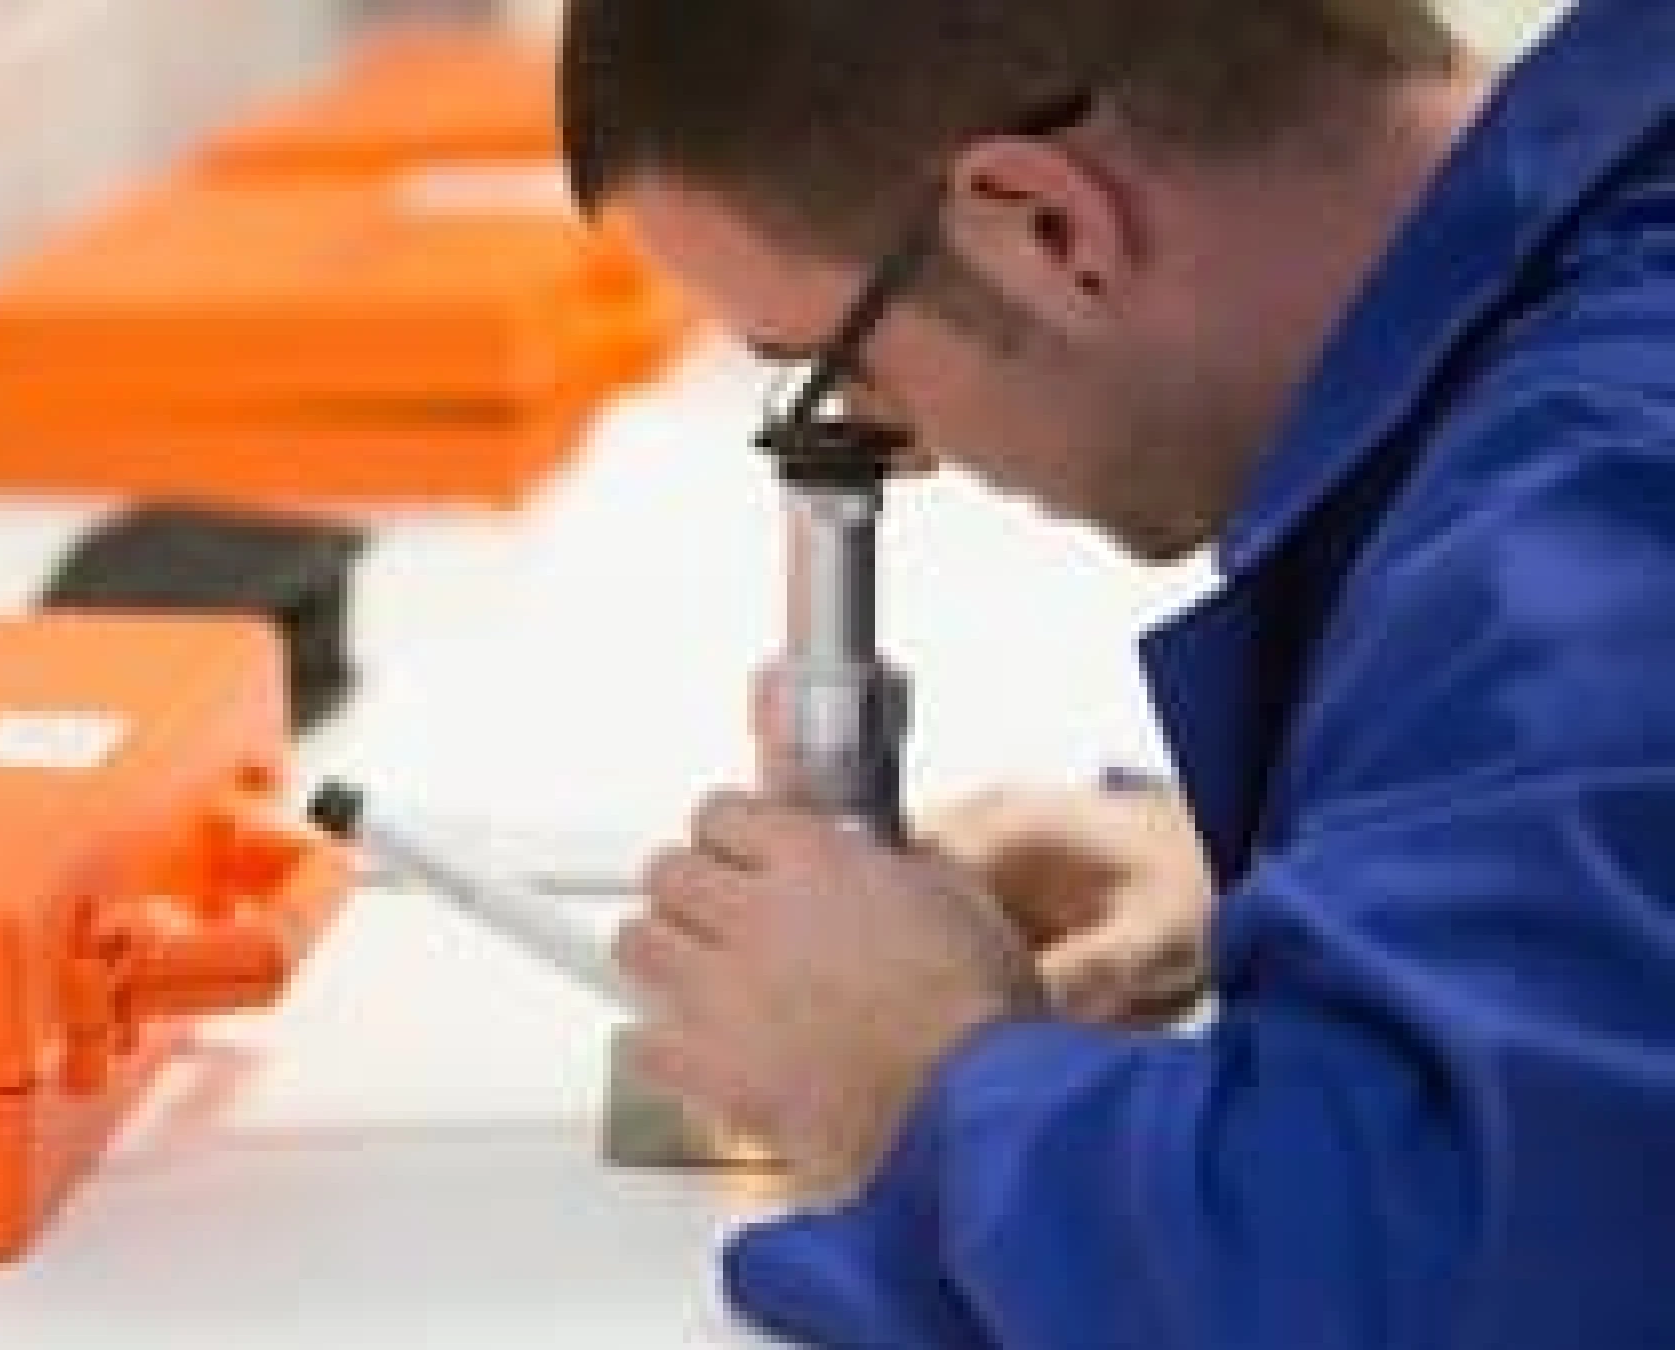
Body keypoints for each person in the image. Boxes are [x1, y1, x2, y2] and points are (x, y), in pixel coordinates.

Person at [562, 0, 1675, 1344]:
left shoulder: (1585, 531)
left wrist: (923, 1085)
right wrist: (1340, 854)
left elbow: (1424, 1285)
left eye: (837, 371)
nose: (892, 448)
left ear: (1049, 227)